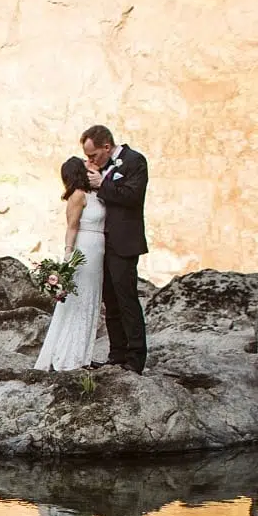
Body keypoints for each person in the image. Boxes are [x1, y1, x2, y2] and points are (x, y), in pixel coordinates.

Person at [80, 125, 149, 374]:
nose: (90, 161)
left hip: (124, 241)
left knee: (126, 299)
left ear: (107, 147)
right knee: (110, 301)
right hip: (102, 243)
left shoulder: (135, 161)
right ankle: (116, 353)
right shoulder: (101, 166)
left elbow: (133, 196)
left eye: (93, 155)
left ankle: (135, 357)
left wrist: (102, 184)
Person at [33, 157, 104, 372]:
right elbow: (72, 227)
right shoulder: (78, 196)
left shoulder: (94, 194)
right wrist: (68, 255)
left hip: (99, 248)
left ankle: (83, 353)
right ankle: (68, 356)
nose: (89, 165)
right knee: (79, 299)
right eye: (85, 165)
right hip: (85, 249)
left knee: (91, 297)